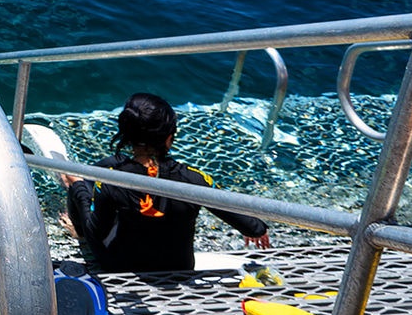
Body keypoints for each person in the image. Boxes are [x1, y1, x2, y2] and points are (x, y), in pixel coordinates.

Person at [64, 93, 270, 272]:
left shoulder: (112, 180)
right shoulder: (195, 180)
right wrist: (257, 228)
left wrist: (79, 187)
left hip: (122, 267)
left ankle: (76, 231)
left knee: (80, 183)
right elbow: (237, 215)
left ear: (127, 135)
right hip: (179, 266)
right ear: (169, 139)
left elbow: (96, 233)